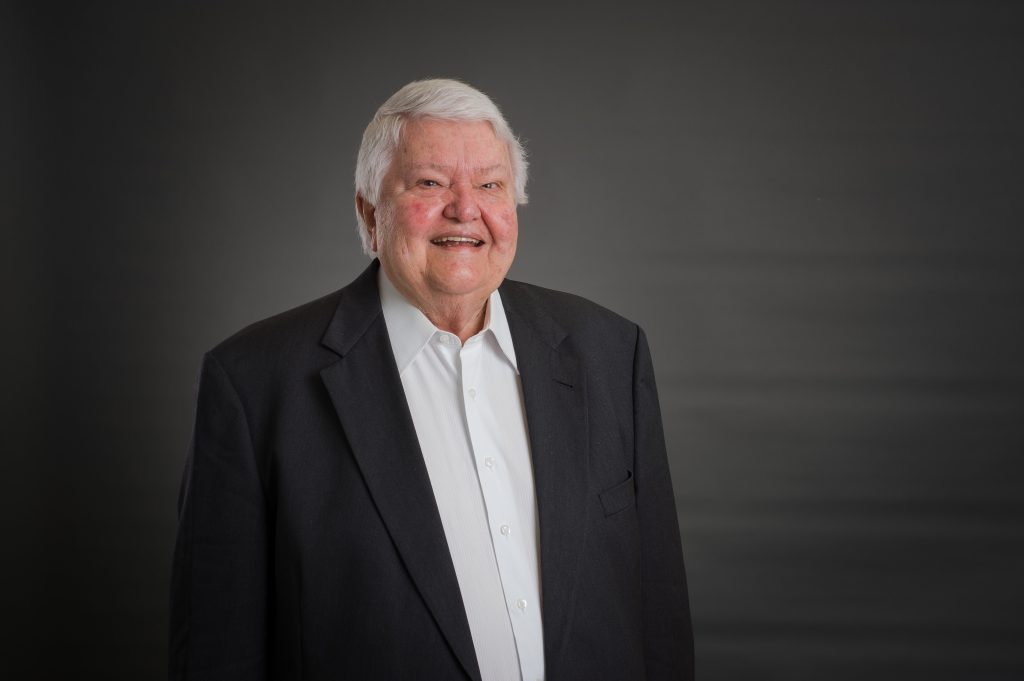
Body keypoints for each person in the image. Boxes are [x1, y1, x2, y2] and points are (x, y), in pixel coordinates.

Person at [170, 78, 694, 681]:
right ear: (370, 214)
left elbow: (659, 618)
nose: (466, 209)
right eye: (430, 183)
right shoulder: (254, 384)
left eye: (490, 185)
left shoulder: (610, 352)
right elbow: (218, 652)